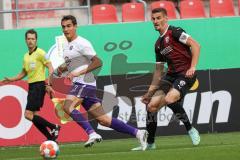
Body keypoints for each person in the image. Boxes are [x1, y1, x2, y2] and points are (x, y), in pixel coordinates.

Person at [53, 15, 148, 150]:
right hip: (85, 86)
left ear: (75, 27)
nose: (66, 29)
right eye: (63, 27)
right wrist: (56, 73)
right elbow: (70, 65)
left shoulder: (82, 43)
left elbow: (98, 62)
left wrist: (78, 73)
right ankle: (139, 133)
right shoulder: (67, 47)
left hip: (84, 83)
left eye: (69, 26)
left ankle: (92, 133)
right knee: (103, 120)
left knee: (67, 106)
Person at [132, 7, 201, 151]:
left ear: (166, 18)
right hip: (170, 76)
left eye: (158, 18)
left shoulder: (175, 32)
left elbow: (196, 45)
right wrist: (149, 93)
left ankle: (190, 129)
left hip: (185, 74)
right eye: (153, 19)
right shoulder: (158, 45)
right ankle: (150, 143)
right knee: (151, 106)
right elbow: (158, 72)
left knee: (170, 99)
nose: (156, 21)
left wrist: (192, 67)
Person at [0, 29, 60, 142]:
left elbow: (51, 67)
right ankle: (51, 138)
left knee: (27, 115)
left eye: (33, 39)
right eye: (28, 39)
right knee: (34, 116)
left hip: (39, 86)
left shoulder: (41, 53)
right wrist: (10, 79)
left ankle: (54, 127)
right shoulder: (26, 56)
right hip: (32, 87)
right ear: (25, 40)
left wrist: (49, 84)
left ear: (36, 40)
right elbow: (23, 73)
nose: (30, 41)